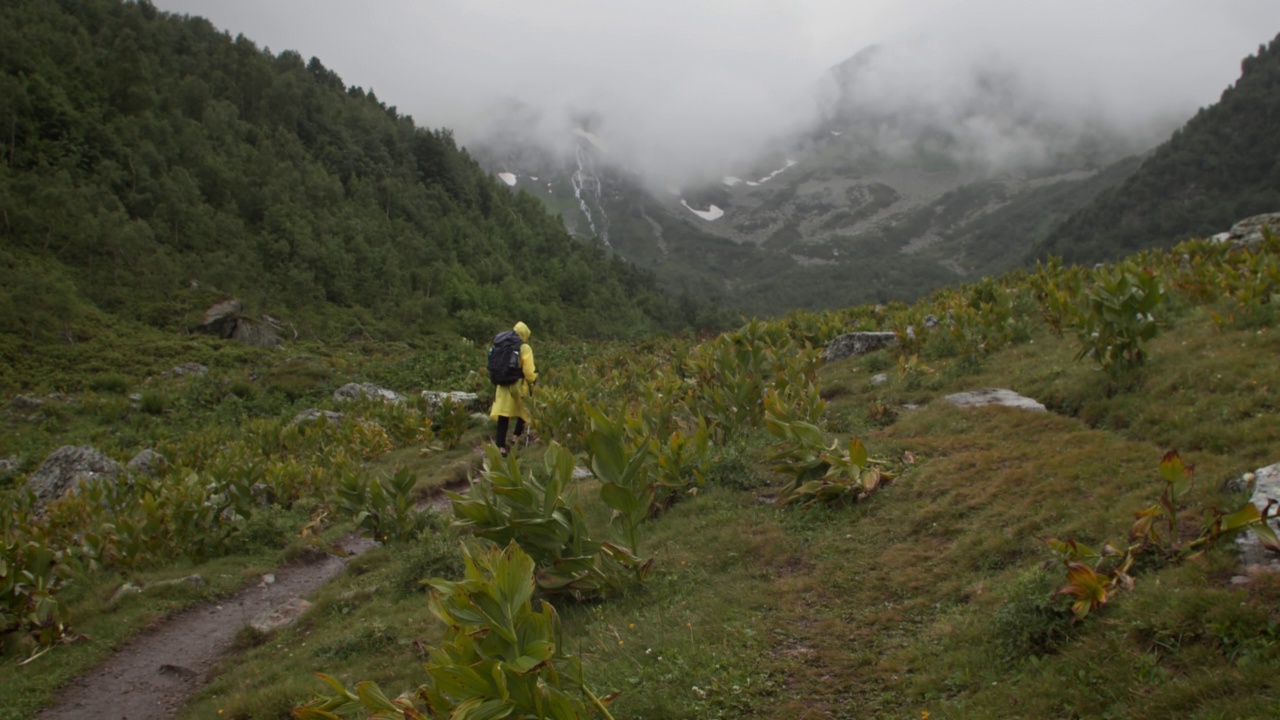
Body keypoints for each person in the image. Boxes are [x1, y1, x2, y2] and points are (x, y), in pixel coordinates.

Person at [490, 321, 537, 455]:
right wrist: (533, 379)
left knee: (503, 415)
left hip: (501, 385)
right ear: (525, 334)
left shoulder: (499, 344)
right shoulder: (523, 347)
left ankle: (500, 447)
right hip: (516, 384)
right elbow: (528, 370)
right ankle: (516, 437)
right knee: (524, 410)